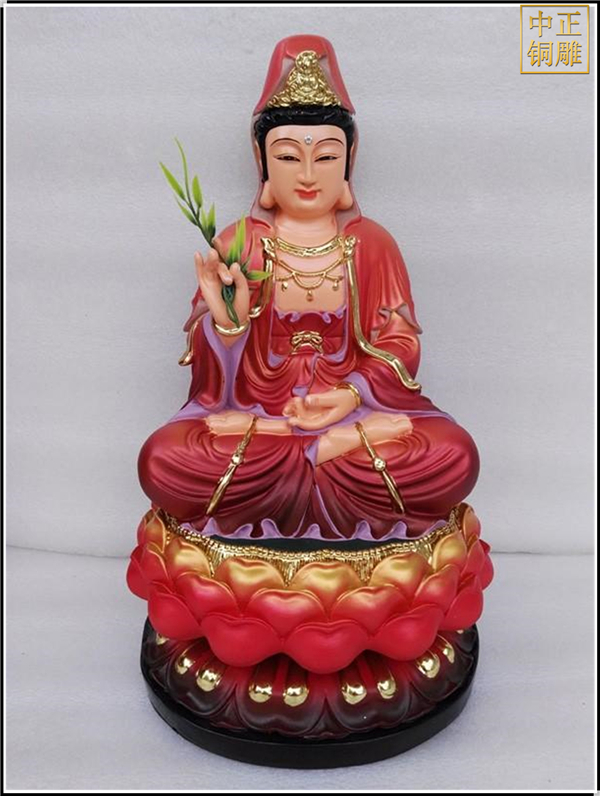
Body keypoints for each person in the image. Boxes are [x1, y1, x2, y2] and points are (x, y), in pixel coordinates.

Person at [138, 35, 479, 542]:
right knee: (163, 460)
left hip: (347, 413)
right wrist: (228, 326)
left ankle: (318, 456)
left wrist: (349, 394)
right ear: (262, 163)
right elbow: (211, 387)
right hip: (263, 418)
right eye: (287, 156)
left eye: (325, 157)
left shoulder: (372, 244)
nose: (306, 175)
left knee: (455, 454)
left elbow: (400, 345)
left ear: (348, 163)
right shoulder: (239, 244)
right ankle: (320, 454)